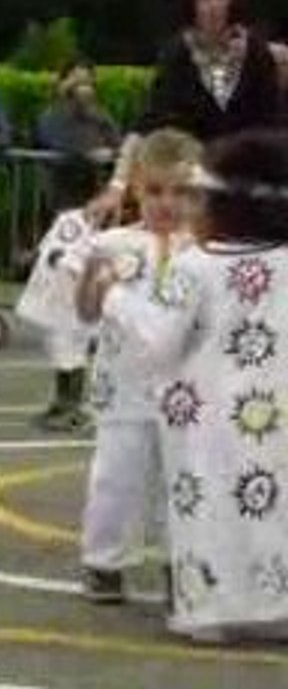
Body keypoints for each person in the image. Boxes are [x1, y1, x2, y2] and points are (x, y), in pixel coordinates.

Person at [80, 129, 288, 641]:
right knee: (270, 502)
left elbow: (159, 342)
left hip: (206, 416)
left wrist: (113, 297)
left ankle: (211, 608)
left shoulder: (197, 266)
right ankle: (274, 603)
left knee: (210, 501)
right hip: (273, 410)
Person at [75, 129, 203, 604]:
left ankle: (181, 563)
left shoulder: (205, 251)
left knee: (184, 482)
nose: (167, 203)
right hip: (123, 389)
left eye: (181, 192)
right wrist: (91, 280)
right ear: (135, 189)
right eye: (155, 191)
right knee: (115, 478)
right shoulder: (111, 243)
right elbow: (86, 313)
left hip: (186, 393)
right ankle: (104, 561)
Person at [91, 0, 279, 220]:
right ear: (192, 3)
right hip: (193, 188)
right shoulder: (177, 54)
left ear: (232, 1)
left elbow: (273, 125)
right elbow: (149, 123)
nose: (213, 6)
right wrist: (116, 186)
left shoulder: (256, 52)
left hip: (248, 184)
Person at [16, 207, 100, 433]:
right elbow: (50, 249)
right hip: (61, 297)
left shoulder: (88, 222)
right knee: (60, 350)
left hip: (77, 298)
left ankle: (73, 408)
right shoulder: (69, 219)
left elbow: (76, 260)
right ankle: (61, 403)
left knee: (73, 352)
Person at [36, 59, 121, 211]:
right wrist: (90, 154)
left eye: (87, 82)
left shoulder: (100, 115)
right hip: (64, 196)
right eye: (77, 82)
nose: (83, 89)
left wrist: (111, 152)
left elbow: (117, 143)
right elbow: (59, 143)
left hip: (96, 195)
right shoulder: (51, 115)